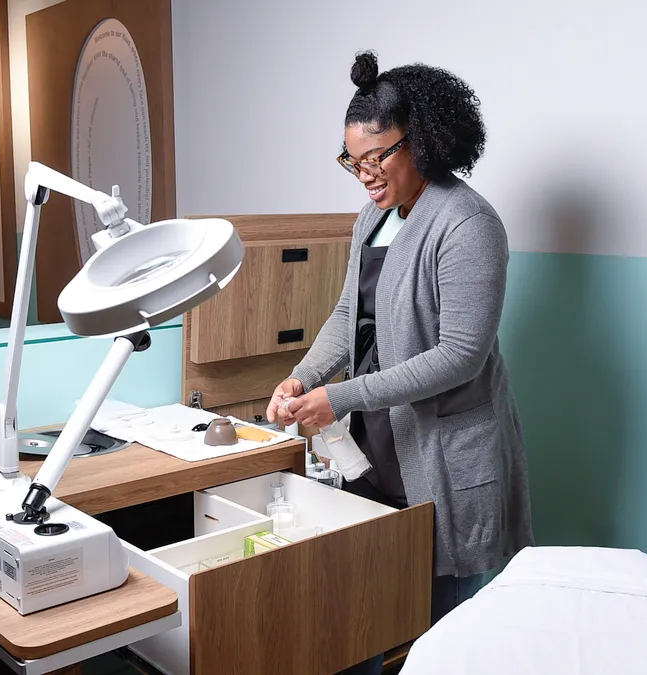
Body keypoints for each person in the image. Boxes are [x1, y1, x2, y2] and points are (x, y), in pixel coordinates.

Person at [266, 50, 535, 673]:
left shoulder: (468, 224)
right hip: (378, 440)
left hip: (444, 452)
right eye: (352, 161)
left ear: (425, 139)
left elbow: (460, 357)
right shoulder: (373, 217)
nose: (364, 174)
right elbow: (346, 315)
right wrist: (306, 375)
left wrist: (340, 398)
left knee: (447, 629)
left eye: (377, 156)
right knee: (373, 604)